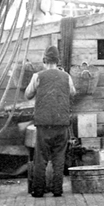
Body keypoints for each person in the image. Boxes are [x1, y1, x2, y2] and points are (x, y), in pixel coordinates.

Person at [25, 45, 76, 197]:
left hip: (43, 123)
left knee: (40, 157)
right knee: (59, 158)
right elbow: (72, 93)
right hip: (62, 123)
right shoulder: (66, 76)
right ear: (57, 61)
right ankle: (57, 190)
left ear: (44, 61)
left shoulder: (37, 76)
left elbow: (28, 94)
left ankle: (38, 190)